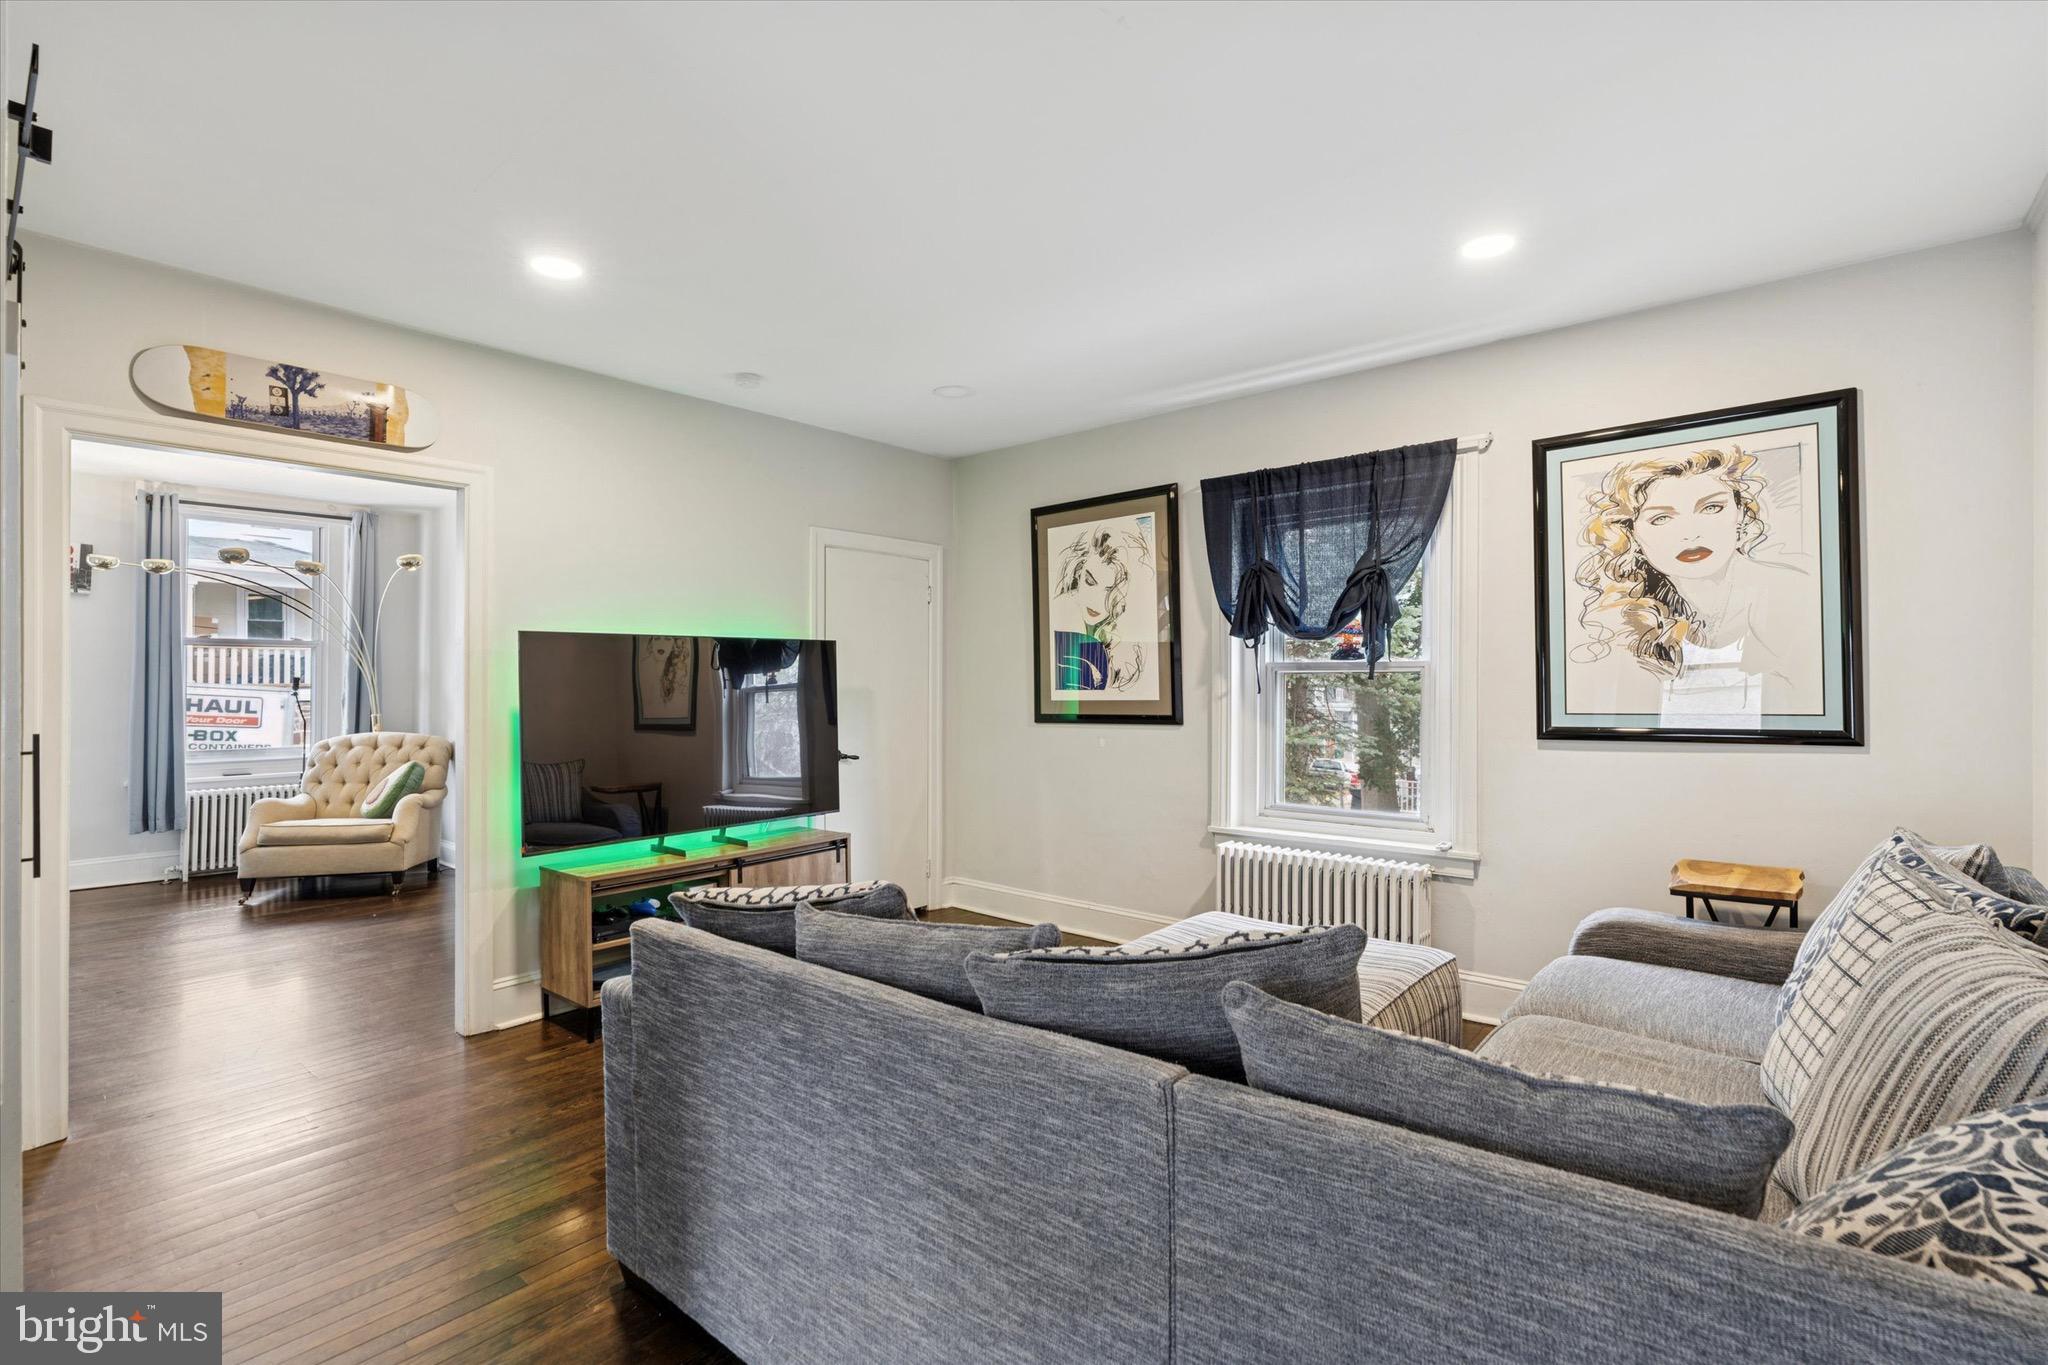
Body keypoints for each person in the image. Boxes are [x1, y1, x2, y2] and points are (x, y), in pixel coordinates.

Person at [1571, 446, 1818, 717]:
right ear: (1632, 535)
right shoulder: (1629, 610)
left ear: (1741, 514)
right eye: (1661, 518)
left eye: (1711, 507)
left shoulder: (1794, 594)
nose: (1691, 533)